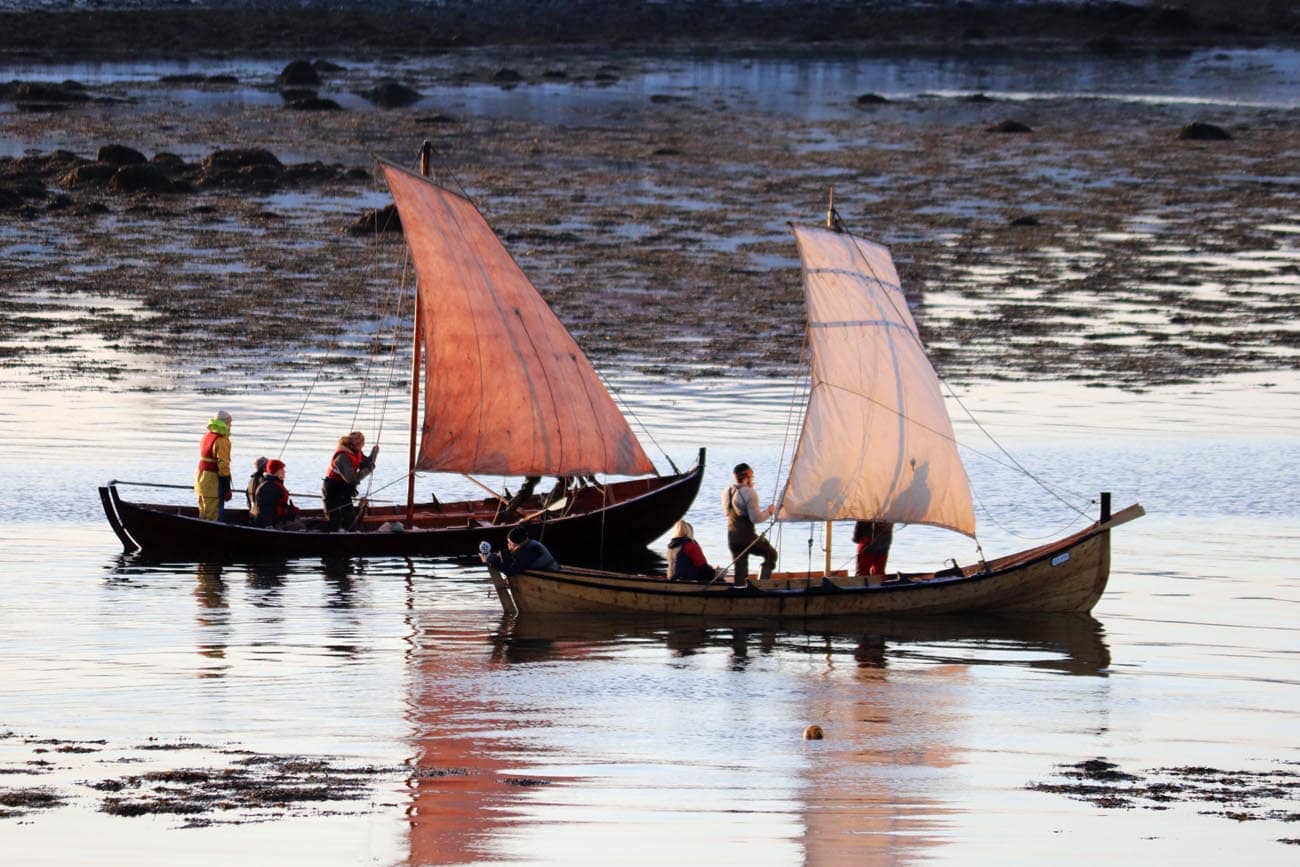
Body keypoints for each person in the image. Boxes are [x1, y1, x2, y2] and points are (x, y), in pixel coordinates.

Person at [722, 462, 777, 586]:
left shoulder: (727, 491)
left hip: (732, 538)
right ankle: (762, 585)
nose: (753, 479)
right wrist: (769, 512)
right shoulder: (749, 493)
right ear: (747, 476)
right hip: (747, 538)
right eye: (752, 476)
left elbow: (727, 513)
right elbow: (755, 519)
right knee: (771, 554)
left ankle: (739, 593)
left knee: (740, 570)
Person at [322, 431, 378, 531]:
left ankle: (349, 534)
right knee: (335, 521)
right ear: (352, 443)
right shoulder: (342, 457)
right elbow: (352, 479)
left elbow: (366, 464)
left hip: (344, 490)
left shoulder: (356, 452)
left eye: (362, 443)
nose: (362, 445)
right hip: (333, 489)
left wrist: (374, 453)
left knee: (350, 520)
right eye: (360, 443)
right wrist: (369, 469)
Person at [194, 410, 233, 522]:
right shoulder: (222, 441)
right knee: (213, 517)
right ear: (225, 423)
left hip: (201, 480)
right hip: (213, 483)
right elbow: (223, 466)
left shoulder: (206, 437)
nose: (231, 426)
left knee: (203, 512)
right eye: (230, 423)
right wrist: (227, 488)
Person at [480, 525, 557, 576]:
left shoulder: (530, 551)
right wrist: (497, 556)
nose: (508, 545)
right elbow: (515, 558)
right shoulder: (529, 544)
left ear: (516, 543)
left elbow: (510, 571)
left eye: (509, 542)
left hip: (552, 576)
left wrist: (493, 560)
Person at [254, 459, 303, 529]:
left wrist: (292, 510)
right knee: (302, 526)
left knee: (306, 521)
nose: (284, 471)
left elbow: (279, 505)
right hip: (271, 524)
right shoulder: (271, 487)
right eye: (282, 469)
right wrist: (269, 526)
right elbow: (267, 510)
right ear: (276, 472)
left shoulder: (271, 484)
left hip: (272, 521)